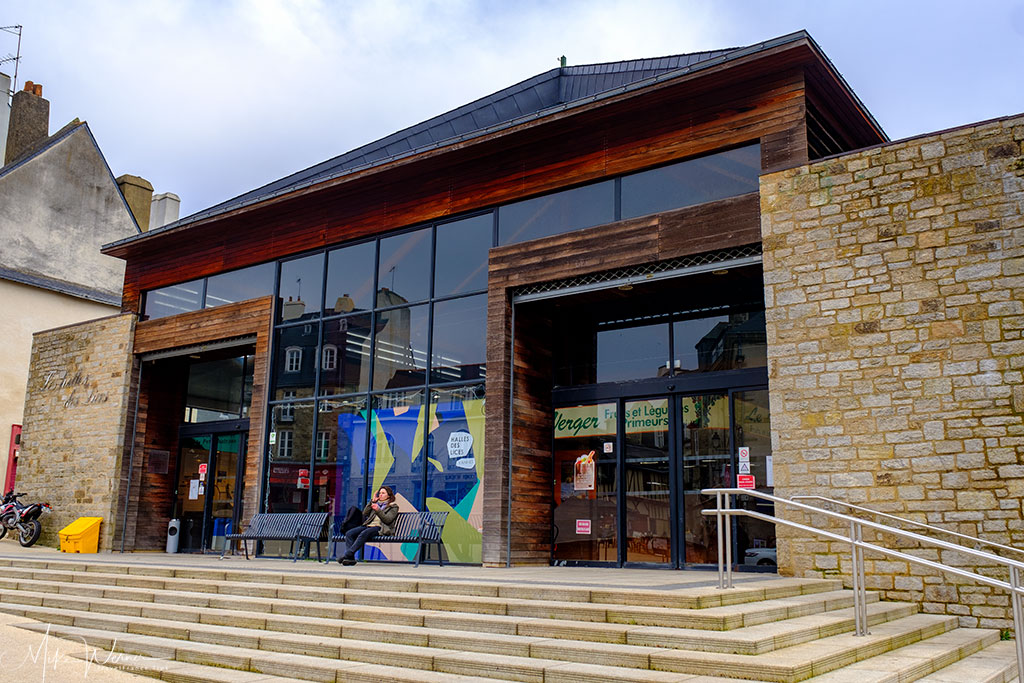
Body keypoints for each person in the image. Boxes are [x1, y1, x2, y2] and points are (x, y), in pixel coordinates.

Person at [338, 485, 399, 565]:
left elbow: (387, 520)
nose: (380, 495)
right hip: (368, 526)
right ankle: (350, 558)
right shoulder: (376, 504)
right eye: (380, 493)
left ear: (389, 495)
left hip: (381, 528)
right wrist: (372, 502)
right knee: (349, 533)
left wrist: (378, 510)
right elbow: (365, 513)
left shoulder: (393, 507)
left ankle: (347, 554)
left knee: (364, 533)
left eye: (383, 493)